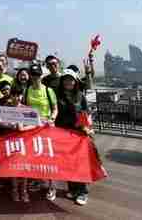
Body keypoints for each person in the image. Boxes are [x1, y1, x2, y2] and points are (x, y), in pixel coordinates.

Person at [55, 69, 93, 206]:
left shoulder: (80, 96)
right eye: (65, 79)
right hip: (63, 133)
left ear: (75, 81)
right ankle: (72, 188)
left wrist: (86, 128)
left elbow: (85, 113)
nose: (68, 82)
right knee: (67, 163)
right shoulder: (57, 96)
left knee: (79, 162)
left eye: (71, 79)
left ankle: (82, 191)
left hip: (78, 133)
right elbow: (55, 113)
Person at [0, 86, 35, 203]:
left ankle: (24, 191)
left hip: (24, 142)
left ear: (22, 96)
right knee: (12, 166)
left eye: (19, 95)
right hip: (10, 142)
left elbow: (36, 124)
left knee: (24, 167)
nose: (17, 98)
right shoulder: (5, 108)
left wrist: (24, 128)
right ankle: (14, 190)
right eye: (14, 95)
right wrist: (11, 126)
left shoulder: (26, 109)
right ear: (10, 96)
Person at [25, 63, 58, 201]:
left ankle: (51, 186)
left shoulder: (48, 91)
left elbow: (55, 109)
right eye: (32, 75)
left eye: (37, 75)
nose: (35, 78)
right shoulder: (27, 91)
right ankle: (38, 181)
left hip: (46, 127)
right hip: (32, 128)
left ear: (41, 76)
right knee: (34, 155)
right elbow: (24, 108)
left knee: (49, 157)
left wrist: (51, 118)